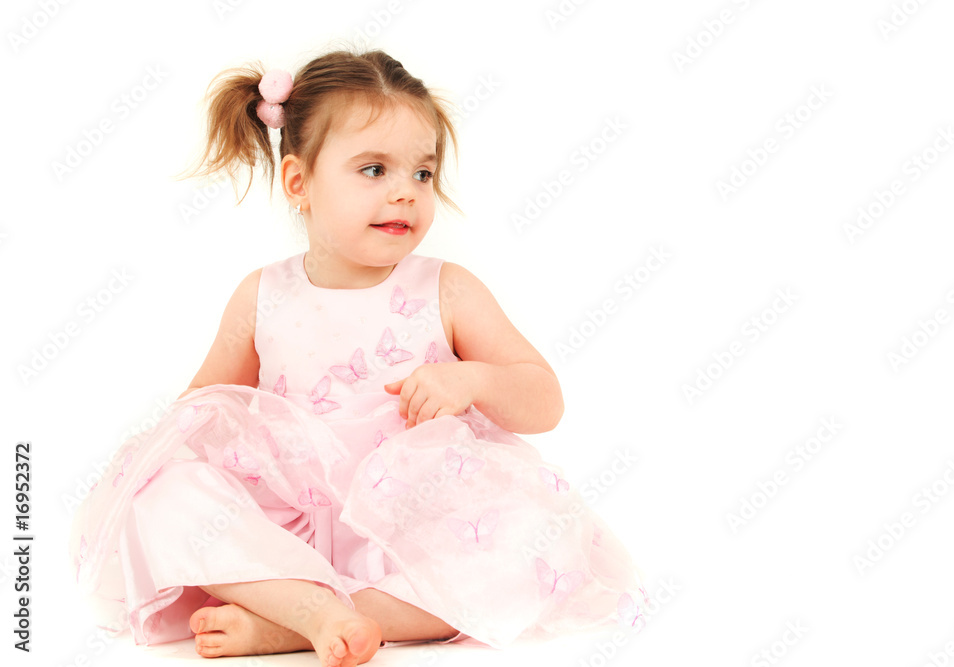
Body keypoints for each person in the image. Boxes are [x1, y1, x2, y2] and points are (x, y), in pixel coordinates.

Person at [69, 47, 647, 667]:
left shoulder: (446, 288)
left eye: (421, 174)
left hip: (416, 526)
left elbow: (544, 399)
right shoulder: (261, 296)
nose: (405, 193)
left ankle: (298, 624)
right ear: (300, 183)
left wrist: (472, 379)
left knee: (538, 541)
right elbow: (202, 411)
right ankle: (306, 604)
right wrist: (164, 477)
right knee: (163, 485)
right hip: (288, 530)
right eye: (374, 170)